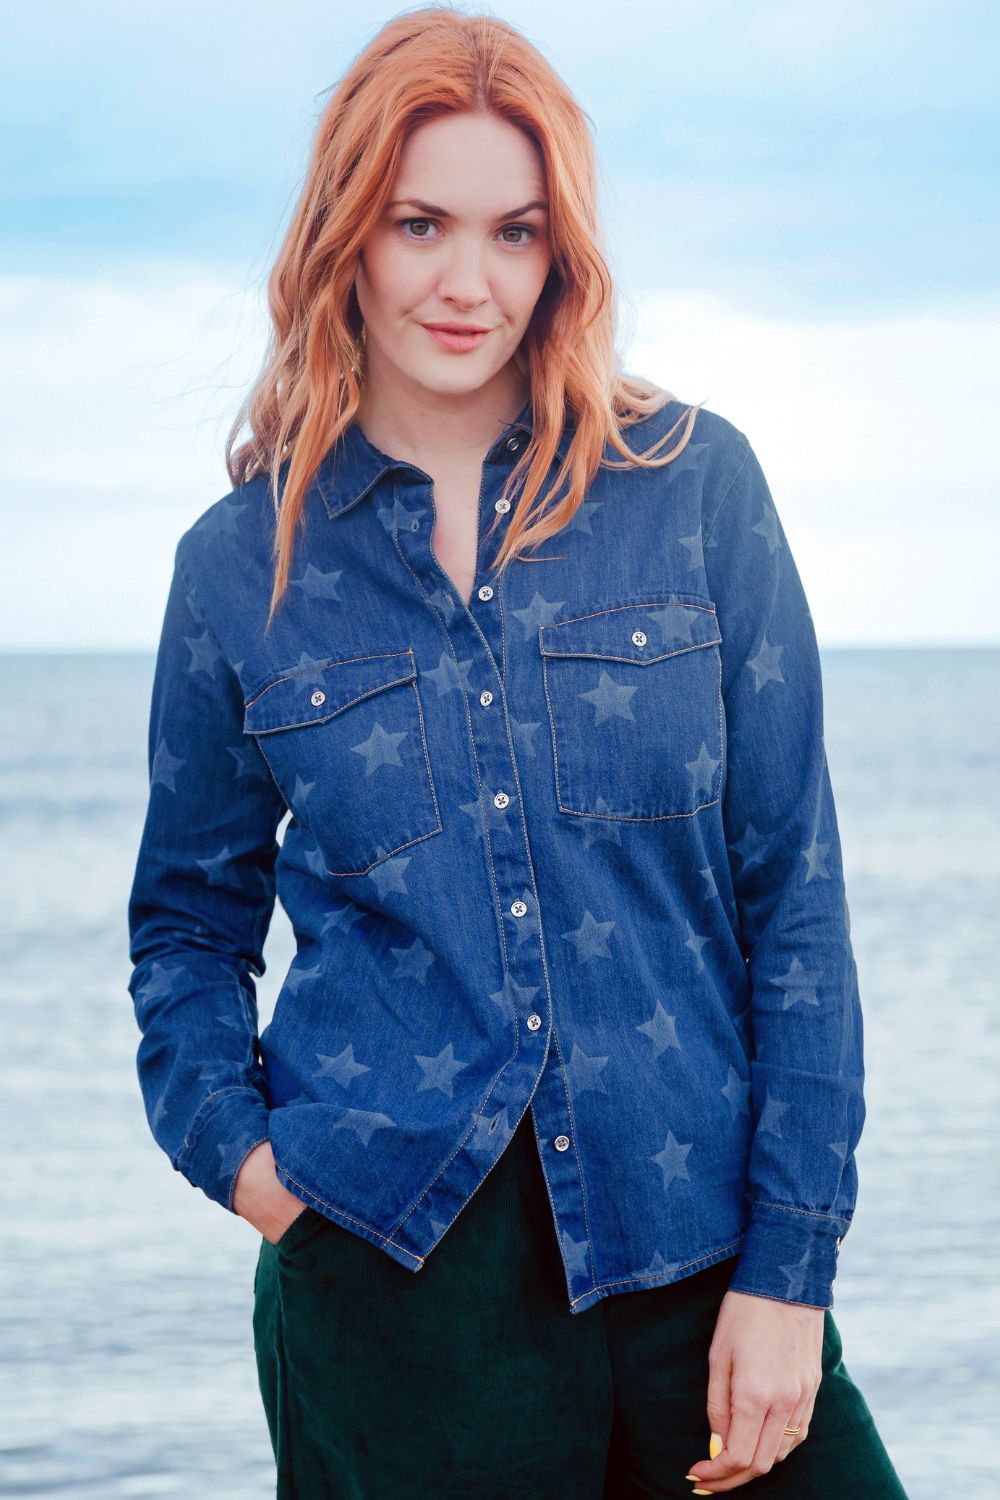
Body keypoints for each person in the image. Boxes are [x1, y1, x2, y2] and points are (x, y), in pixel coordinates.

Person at [126, 8, 911, 1497]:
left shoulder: (692, 489)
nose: (467, 280)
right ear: (348, 233)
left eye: (516, 230)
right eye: (422, 223)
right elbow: (186, 922)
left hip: (699, 1259)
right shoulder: (239, 572)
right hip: (395, 1295)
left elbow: (792, 897)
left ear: (562, 253)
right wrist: (251, 1169)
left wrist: (790, 1273)